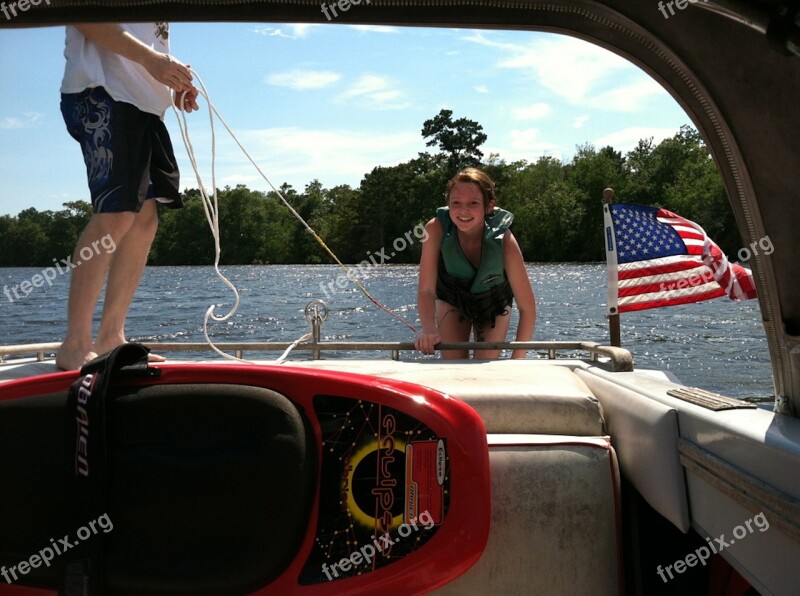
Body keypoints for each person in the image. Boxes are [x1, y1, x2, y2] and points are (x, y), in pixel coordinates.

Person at [55, 23, 199, 370]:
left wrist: (169, 83)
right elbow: (85, 16)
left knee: (144, 220)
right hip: (100, 91)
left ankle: (111, 337)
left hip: (143, 104)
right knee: (117, 213)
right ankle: (74, 344)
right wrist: (153, 62)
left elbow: (146, 41)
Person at [415, 168, 536, 359]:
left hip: (494, 302)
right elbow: (426, 291)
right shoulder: (434, 229)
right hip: (452, 297)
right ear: (447, 205)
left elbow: (527, 309)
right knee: (453, 363)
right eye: (456, 203)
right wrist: (429, 330)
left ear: (489, 207)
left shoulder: (505, 241)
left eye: (473, 203)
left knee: (484, 364)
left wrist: (517, 359)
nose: (463, 211)